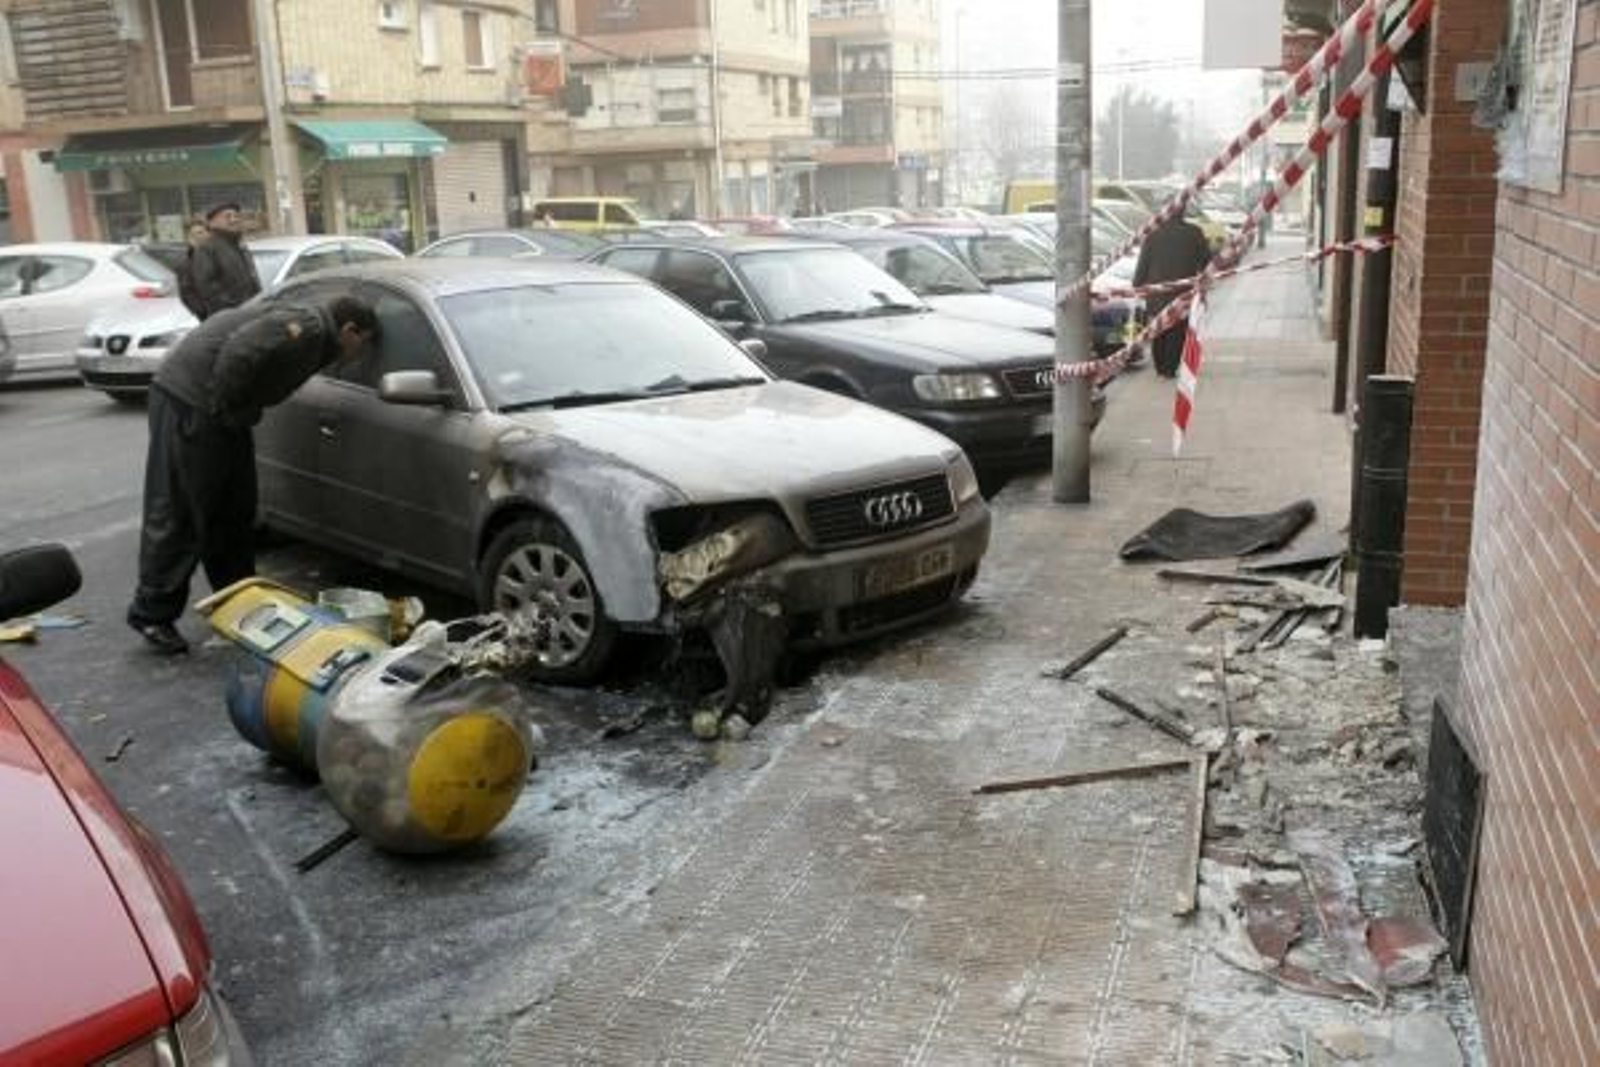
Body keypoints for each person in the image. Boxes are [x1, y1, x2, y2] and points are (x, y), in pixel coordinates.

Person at [126, 296, 380, 654]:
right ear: (349, 329)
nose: (359, 354)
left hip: (219, 411)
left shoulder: (317, 336)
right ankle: (152, 614)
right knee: (183, 510)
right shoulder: (307, 325)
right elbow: (240, 351)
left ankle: (239, 602)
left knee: (234, 507)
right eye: (362, 344)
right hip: (192, 402)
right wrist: (224, 406)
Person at [1133, 210, 1213, 378]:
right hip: (1183, 292)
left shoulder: (1152, 233)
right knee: (1177, 330)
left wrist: (1138, 284)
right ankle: (1170, 367)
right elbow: (1206, 261)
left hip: (1157, 294)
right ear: (1183, 213)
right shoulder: (1194, 232)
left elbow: (1144, 262)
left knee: (1159, 329)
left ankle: (1160, 367)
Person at [188, 201, 261, 319]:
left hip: (250, 315)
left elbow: (252, 282)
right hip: (229, 320)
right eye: (227, 216)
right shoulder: (207, 248)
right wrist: (235, 310)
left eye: (236, 216)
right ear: (212, 223)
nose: (234, 219)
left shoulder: (239, 246)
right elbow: (208, 289)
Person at [175, 216, 209, 320]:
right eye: (194, 234)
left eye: (201, 232)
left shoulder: (220, 256)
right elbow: (187, 294)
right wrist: (204, 312)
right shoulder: (186, 265)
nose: (199, 237)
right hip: (210, 318)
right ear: (189, 239)